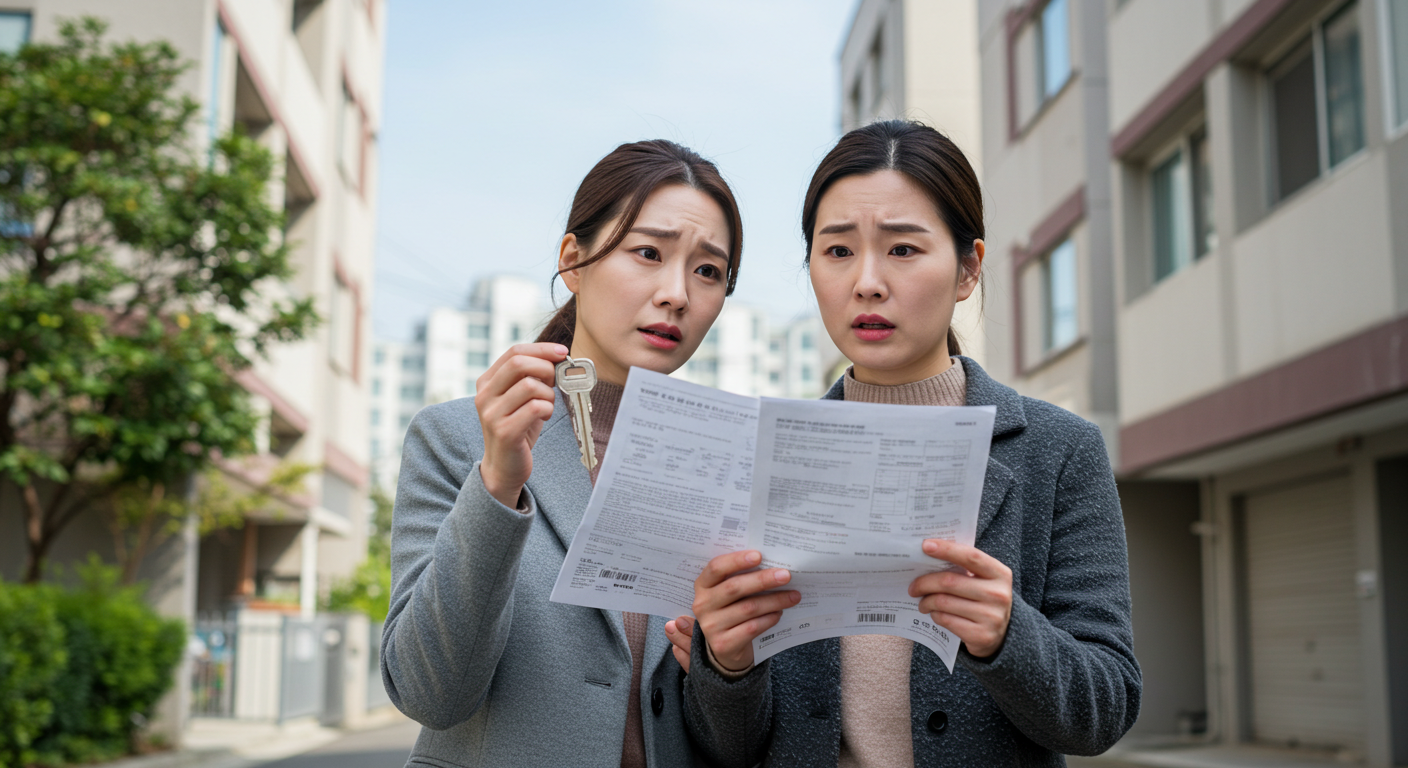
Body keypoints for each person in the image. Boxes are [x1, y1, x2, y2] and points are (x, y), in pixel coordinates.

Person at [665, 120, 1140, 767]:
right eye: (837, 252)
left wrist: (1008, 635)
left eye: (903, 249)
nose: (867, 282)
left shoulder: (1060, 452)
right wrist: (727, 666)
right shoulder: (760, 460)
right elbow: (730, 746)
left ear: (969, 268)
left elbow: (1106, 708)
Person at [382, 139, 744, 768]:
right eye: (648, 253)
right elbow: (429, 693)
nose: (677, 293)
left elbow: (732, 738)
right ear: (573, 262)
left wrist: (728, 671)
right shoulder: (456, 440)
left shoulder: (726, 459)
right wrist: (496, 485)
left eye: (707, 271)